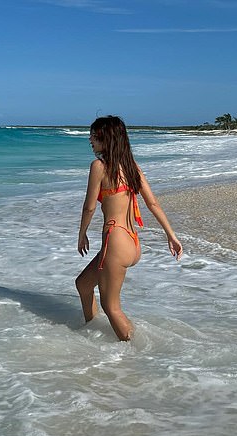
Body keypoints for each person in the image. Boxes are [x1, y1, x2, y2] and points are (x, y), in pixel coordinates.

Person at [75, 116, 183, 341]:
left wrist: (82, 233)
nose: (90, 140)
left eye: (93, 136)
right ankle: (91, 334)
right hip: (132, 243)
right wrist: (171, 236)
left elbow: (89, 207)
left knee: (110, 306)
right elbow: (153, 203)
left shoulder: (99, 166)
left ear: (106, 138)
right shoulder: (132, 167)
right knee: (83, 284)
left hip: (115, 241)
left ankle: (135, 354)